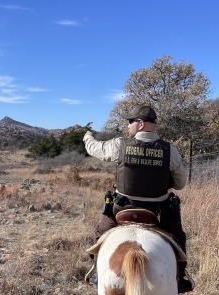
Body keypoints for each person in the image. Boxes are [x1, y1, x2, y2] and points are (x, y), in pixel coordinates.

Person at [83, 105, 194, 293]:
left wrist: (88, 137)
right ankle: (181, 279)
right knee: (179, 237)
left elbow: (96, 149)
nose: (128, 127)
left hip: (122, 208)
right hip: (160, 212)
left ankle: (96, 273)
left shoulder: (120, 145)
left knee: (101, 232)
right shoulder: (170, 151)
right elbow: (180, 184)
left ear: (140, 124)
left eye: (130, 122)